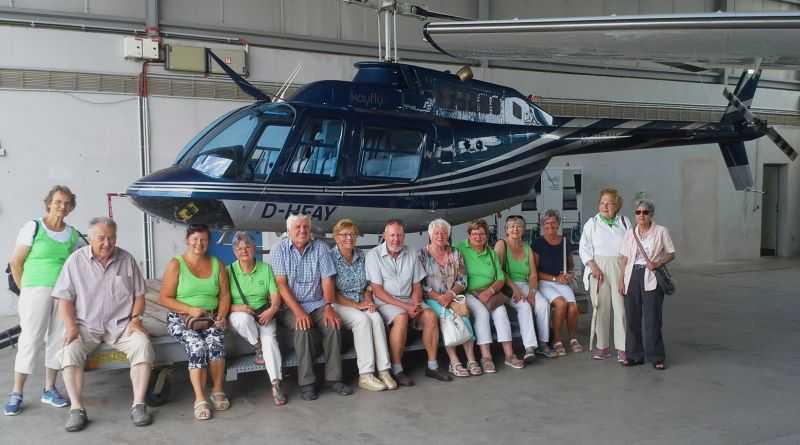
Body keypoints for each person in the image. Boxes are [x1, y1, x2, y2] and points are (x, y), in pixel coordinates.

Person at [53, 217, 154, 431]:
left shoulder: (127, 260)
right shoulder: (75, 261)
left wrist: (136, 319)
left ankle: (138, 404)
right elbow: (65, 299)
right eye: (101, 238)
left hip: (121, 324)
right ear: (89, 238)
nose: (107, 243)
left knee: (142, 345)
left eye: (111, 238)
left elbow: (139, 295)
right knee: (69, 351)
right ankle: (77, 409)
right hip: (86, 325)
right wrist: (71, 327)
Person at [5, 185, 80, 416]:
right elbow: (16, 263)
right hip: (35, 290)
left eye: (67, 203)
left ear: (71, 207)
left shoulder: (73, 234)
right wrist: (24, 289)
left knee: (58, 340)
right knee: (31, 339)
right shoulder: (34, 227)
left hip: (63, 294)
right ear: (49, 203)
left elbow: (77, 264)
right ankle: (17, 392)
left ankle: (49, 389)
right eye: (58, 201)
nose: (62, 206)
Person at [272, 214, 352, 401]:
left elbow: (327, 280)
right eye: (298, 227)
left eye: (306, 227)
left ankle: (334, 378)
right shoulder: (279, 249)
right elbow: (281, 285)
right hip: (290, 306)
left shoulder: (321, 248)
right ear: (289, 231)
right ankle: (307, 383)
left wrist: (329, 306)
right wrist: (299, 312)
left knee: (333, 324)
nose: (302, 231)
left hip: (317, 303)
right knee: (303, 327)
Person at [366, 219, 452, 385]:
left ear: (404, 236)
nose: (395, 239)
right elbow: (377, 291)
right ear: (385, 236)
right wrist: (406, 308)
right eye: (392, 235)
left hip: (410, 299)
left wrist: (416, 304)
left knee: (430, 316)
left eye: (399, 235)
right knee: (401, 317)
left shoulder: (411, 252)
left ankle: (432, 366)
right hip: (386, 302)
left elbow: (417, 284)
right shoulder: (373, 255)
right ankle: (397, 369)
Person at [159, 224, 231, 421]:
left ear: (209, 242)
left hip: (210, 318)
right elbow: (164, 298)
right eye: (195, 239)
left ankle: (217, 390)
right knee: (197, 347)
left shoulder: (217, 264)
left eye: (204, 240)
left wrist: (221, 315)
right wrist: (189, 309)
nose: (199, 243)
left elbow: (225, 295)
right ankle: (200, 399)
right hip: (181, 318)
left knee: (216, 343)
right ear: (187, 240)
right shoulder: (176, 264)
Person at [330, 219, 397, 391]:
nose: (349, 238)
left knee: (375, 317)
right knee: (362, 320)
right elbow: (332, 293)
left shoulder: (361, 256)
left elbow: (368, 285)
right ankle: (366, 375)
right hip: (339, 304)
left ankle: (384, 370)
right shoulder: (330, 257)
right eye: (344, 235)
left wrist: (368, 300)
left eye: (352, 234)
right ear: (336, 238)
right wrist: (356, 305)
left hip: (360, 300)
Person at [456, 219, 525, 371]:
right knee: (482, 314)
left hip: (490, 293)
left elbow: (500, 278)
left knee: (501, 312)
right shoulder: (460, 248)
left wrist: (490, 291)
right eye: (474, 234)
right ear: (469, 235)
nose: (478, 237)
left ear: (486, 236)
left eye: (481, 234)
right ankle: (486, 357)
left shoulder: (491, 253)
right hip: (469, 293)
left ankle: (509, 355)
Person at [226, 232, 286, 405]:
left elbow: (275, 296)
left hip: (264, 313)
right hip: (241, 314)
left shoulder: (265, 268)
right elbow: (221, 301)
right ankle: (256, 346)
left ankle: (276, 383)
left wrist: (273, 309)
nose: (244, 251)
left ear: (254, 248)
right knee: (242, 319)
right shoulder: (228, 271)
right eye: (239, 248)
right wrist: (237, 307)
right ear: (234, 252)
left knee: (270, 340)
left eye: (248, 247)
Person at [418, 219, 481, 378]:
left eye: (444, 232)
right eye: (437, 233)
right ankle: (454, 361)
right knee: (447, 316)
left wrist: (450, 295)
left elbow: (462, 280)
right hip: (432, 298)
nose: (440, 235)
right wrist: (440, 297)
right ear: (430, 235)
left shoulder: (455, 253)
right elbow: (421, 284)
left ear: (448, 235)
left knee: (463, 313)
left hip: (453, 295)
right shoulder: (422, 254)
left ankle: (471, 359)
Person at [617, 199, 675, 370]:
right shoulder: (630, 233)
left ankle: (656, 356)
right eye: (638, 212)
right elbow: (624, 258)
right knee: (632, 318)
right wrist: (621, 280)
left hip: (651, 276)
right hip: (632, 275)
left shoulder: (661, 231)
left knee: (653, 319)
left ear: (651, 214)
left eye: (645, 212)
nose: (641, 215)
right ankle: (634, 355)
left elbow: (671, 253)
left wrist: (657, 263)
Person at [579, 187, 631, 362]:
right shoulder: (591, 223)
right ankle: (603, 347)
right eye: (602, 202)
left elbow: (630, 247)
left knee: (621, 309)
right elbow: (584, 247)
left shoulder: (624, 222)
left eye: (609, 203)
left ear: (617, 206)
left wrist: (625, 273)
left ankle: (623, 348)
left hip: (619, 266)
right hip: (598, 268)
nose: (605, 206)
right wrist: (592, 265)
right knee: (600, 308)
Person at [495, 215, 557, 359]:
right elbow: (499, 270)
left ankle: (543, 344)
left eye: (519, 226)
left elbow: (533, 274)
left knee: (543, 304)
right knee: (524, 306)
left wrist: (532, 292)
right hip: (507, 285)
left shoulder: (527, 247)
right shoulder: (502, 244)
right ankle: (529, 347)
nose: (515, 229)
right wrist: (515, 289)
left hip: (525, 285)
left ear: (523, 230)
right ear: (507, 230)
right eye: (512, 226)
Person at [533, 210, 582, 356]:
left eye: (553, 222)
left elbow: (570, 265)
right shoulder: (538, 243)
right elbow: (535, 271)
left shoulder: (564, 241)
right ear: (543, 225)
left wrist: (568, 274)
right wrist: (555, 279)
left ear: (558, 224)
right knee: (561, 303)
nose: (550, 225)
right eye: (547, 223)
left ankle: (573, 338)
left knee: (573, 307)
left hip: (561, 282)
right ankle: (557, 339)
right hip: (545, 281)